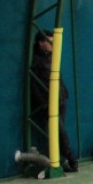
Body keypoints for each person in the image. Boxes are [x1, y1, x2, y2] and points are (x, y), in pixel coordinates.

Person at [29, 30, 79, 172]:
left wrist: (64, 93)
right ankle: (70, 158)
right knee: (60, 132)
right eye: (50, 42)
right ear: (41, 43)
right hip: (48, 103)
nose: (53, 45)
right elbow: (33, 84)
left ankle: (63, 161)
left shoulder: (52, 58)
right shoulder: (35, 60)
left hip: (60, 99)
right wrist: (43, 102)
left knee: (58, 132)